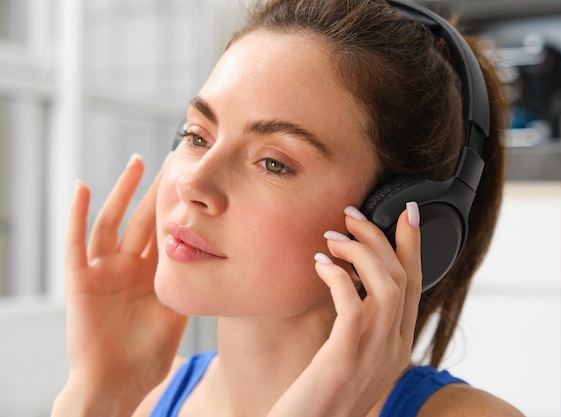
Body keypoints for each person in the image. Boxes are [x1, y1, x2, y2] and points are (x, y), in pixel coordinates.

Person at [52, 0, 524, 416]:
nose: (193, 183)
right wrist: (97, 398)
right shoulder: (137, 398)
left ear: (396, 215)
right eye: (197, 136)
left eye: (274, 163)